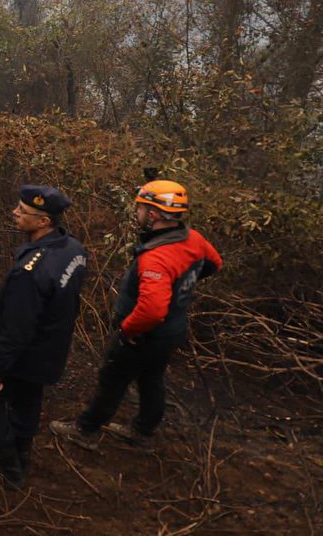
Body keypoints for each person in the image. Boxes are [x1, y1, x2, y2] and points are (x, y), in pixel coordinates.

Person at [51, 180, 221, 451]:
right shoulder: (194, 239)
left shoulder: (157, 257)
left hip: (145, 335)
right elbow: (214, 263)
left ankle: (86, 430)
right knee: (151, 377)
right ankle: (143, 431)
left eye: (141, 208)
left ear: (153, 214)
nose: (138, 212)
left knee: (113, 378)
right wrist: (183, 286)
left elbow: (152, 309)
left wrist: (128, 331)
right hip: (172, 330)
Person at [0, 185, 87, 489]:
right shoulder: (73, 249)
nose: (15, 214)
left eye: (23, 212)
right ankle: (21, 453)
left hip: (26, 351)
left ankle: (8, 467)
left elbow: (17, 329)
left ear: (44, 222)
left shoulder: (31, 271)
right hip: (52, 348)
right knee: (27, 400)